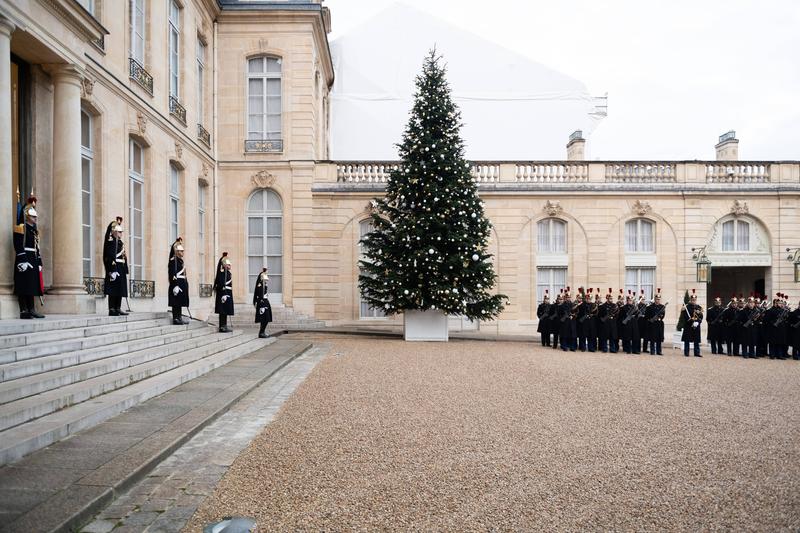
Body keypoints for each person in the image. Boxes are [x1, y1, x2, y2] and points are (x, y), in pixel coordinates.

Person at [13, 194, 44, 319]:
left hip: (33, 258)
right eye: (32, 216)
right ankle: (23, 310)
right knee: (23, 284)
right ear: (26, 215)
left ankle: (31, 309)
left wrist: (39, 262)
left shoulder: (34, 230)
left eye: (35, 216)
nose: (35, 218)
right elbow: (18, 244)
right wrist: (22, 259)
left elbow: (37, 247)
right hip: (24, 258)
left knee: (31, 285)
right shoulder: (21, 228)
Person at [102, 217, 128, 316]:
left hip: (120, 267)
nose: (121, 234)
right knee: (113, 289)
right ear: (113, 232)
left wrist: (125, 268)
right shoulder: (110, 241)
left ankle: (118, 307)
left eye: (121, 232)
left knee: (120, 288)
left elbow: (123, 256)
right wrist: (112, 270)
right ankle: (112, 308)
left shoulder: (120, 242)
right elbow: (109, 256)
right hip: (114, 267)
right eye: (119, 232)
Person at [168, 237, 189, 325]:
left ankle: (179, 317)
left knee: (180, 301)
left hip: (182, 283)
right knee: (175, 302)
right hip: (176, 283)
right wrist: (175, 285)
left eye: (182, 251)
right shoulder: (173, 261)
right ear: (177, 252)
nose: (182, 252)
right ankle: (175, 318)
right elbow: (172, 273)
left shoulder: (180, 261)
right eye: (181, 251)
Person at [214, 252, 234, 333]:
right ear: (224, 265)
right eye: (228, 264)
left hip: (227, 293)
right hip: (223, 293)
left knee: (225, 310)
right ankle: (222, 326)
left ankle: (224, 325)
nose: (230, 266)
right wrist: (224, 294)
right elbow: (222, 284)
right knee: (222, 311)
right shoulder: (222, 273)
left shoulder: (228, 273)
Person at [681, 291, 703, 357]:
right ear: (690, 300)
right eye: (692, 300)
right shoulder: (686, 307)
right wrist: (690, 320)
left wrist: (698, 322)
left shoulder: (699, 307)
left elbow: (701, 316)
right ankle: (686, 352)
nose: (694, 301)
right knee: (687, 340)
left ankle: (697, 353)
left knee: (696, 340)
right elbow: (684, 316)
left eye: (695, 300)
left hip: (696, 326)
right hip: (688, 325)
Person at [253, 267, 273, 338]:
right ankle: (261, 332)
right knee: (264, 318)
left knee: (267, 318)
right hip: (262, 302)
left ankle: (262, 331)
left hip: (265, 300)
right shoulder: (260, 285)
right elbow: (259, 294)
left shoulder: (264, 285)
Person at [645, 290, 666, 355]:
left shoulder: (662, 307)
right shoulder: (650, 307)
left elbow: (663, 315)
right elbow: (647, 316)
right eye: (657, 299)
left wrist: (659, 318)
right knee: (652, 338)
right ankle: (652, 351)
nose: (658, 300)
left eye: (659, 299)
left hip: (659, 324)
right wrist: (651, 319)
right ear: (655, 299)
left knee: (659, 338)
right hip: (652, 324)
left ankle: (659, 351)